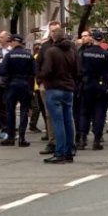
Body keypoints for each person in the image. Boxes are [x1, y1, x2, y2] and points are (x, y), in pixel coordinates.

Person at [37, 27, 78, 163]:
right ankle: (69, 151)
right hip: (68, 88)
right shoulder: (71, 51)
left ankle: (60, 152)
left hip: (54, 88)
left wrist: (39, 77)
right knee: (68, 120)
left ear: (53, 37)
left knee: (58, 122)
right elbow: (76, 70)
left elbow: (47, 70)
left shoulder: (51, 51)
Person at [78, 30, 108, 150]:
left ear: (92, 39)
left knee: (85, 112)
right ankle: (97, 140)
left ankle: (83, 138)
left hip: (87, 84)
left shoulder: (84, 53)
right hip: (101, 85)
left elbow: (79, 69)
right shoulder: (106, 54)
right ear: (102, 40)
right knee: (99, 113)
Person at [0, 34, 36, 147]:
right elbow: (34, 71)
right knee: (24, 111)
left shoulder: (9, 55)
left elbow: (1, 71)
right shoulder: (29, 55)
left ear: (14, 42)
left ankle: (10, 137)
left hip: (11, 85)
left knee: (10, 111)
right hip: (25, 84)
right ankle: (22, 138)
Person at [36, 21, 62, 155]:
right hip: (46, 85)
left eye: (55, 31)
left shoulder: (66, 46)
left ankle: (66, 142)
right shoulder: (45, 47)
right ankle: (52, 142)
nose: (53, 33)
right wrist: (40, 81)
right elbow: (38, 64)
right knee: (49, 115)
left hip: (63, 85)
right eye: (51, 31)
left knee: (65, 114)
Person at [28, 43, 45, 134]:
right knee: (38, 107)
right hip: (36, 87)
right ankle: (32, 125)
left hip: (36, 87)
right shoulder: (37, 59)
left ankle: (33, 125)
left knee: (39, 107)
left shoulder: (34, 58)